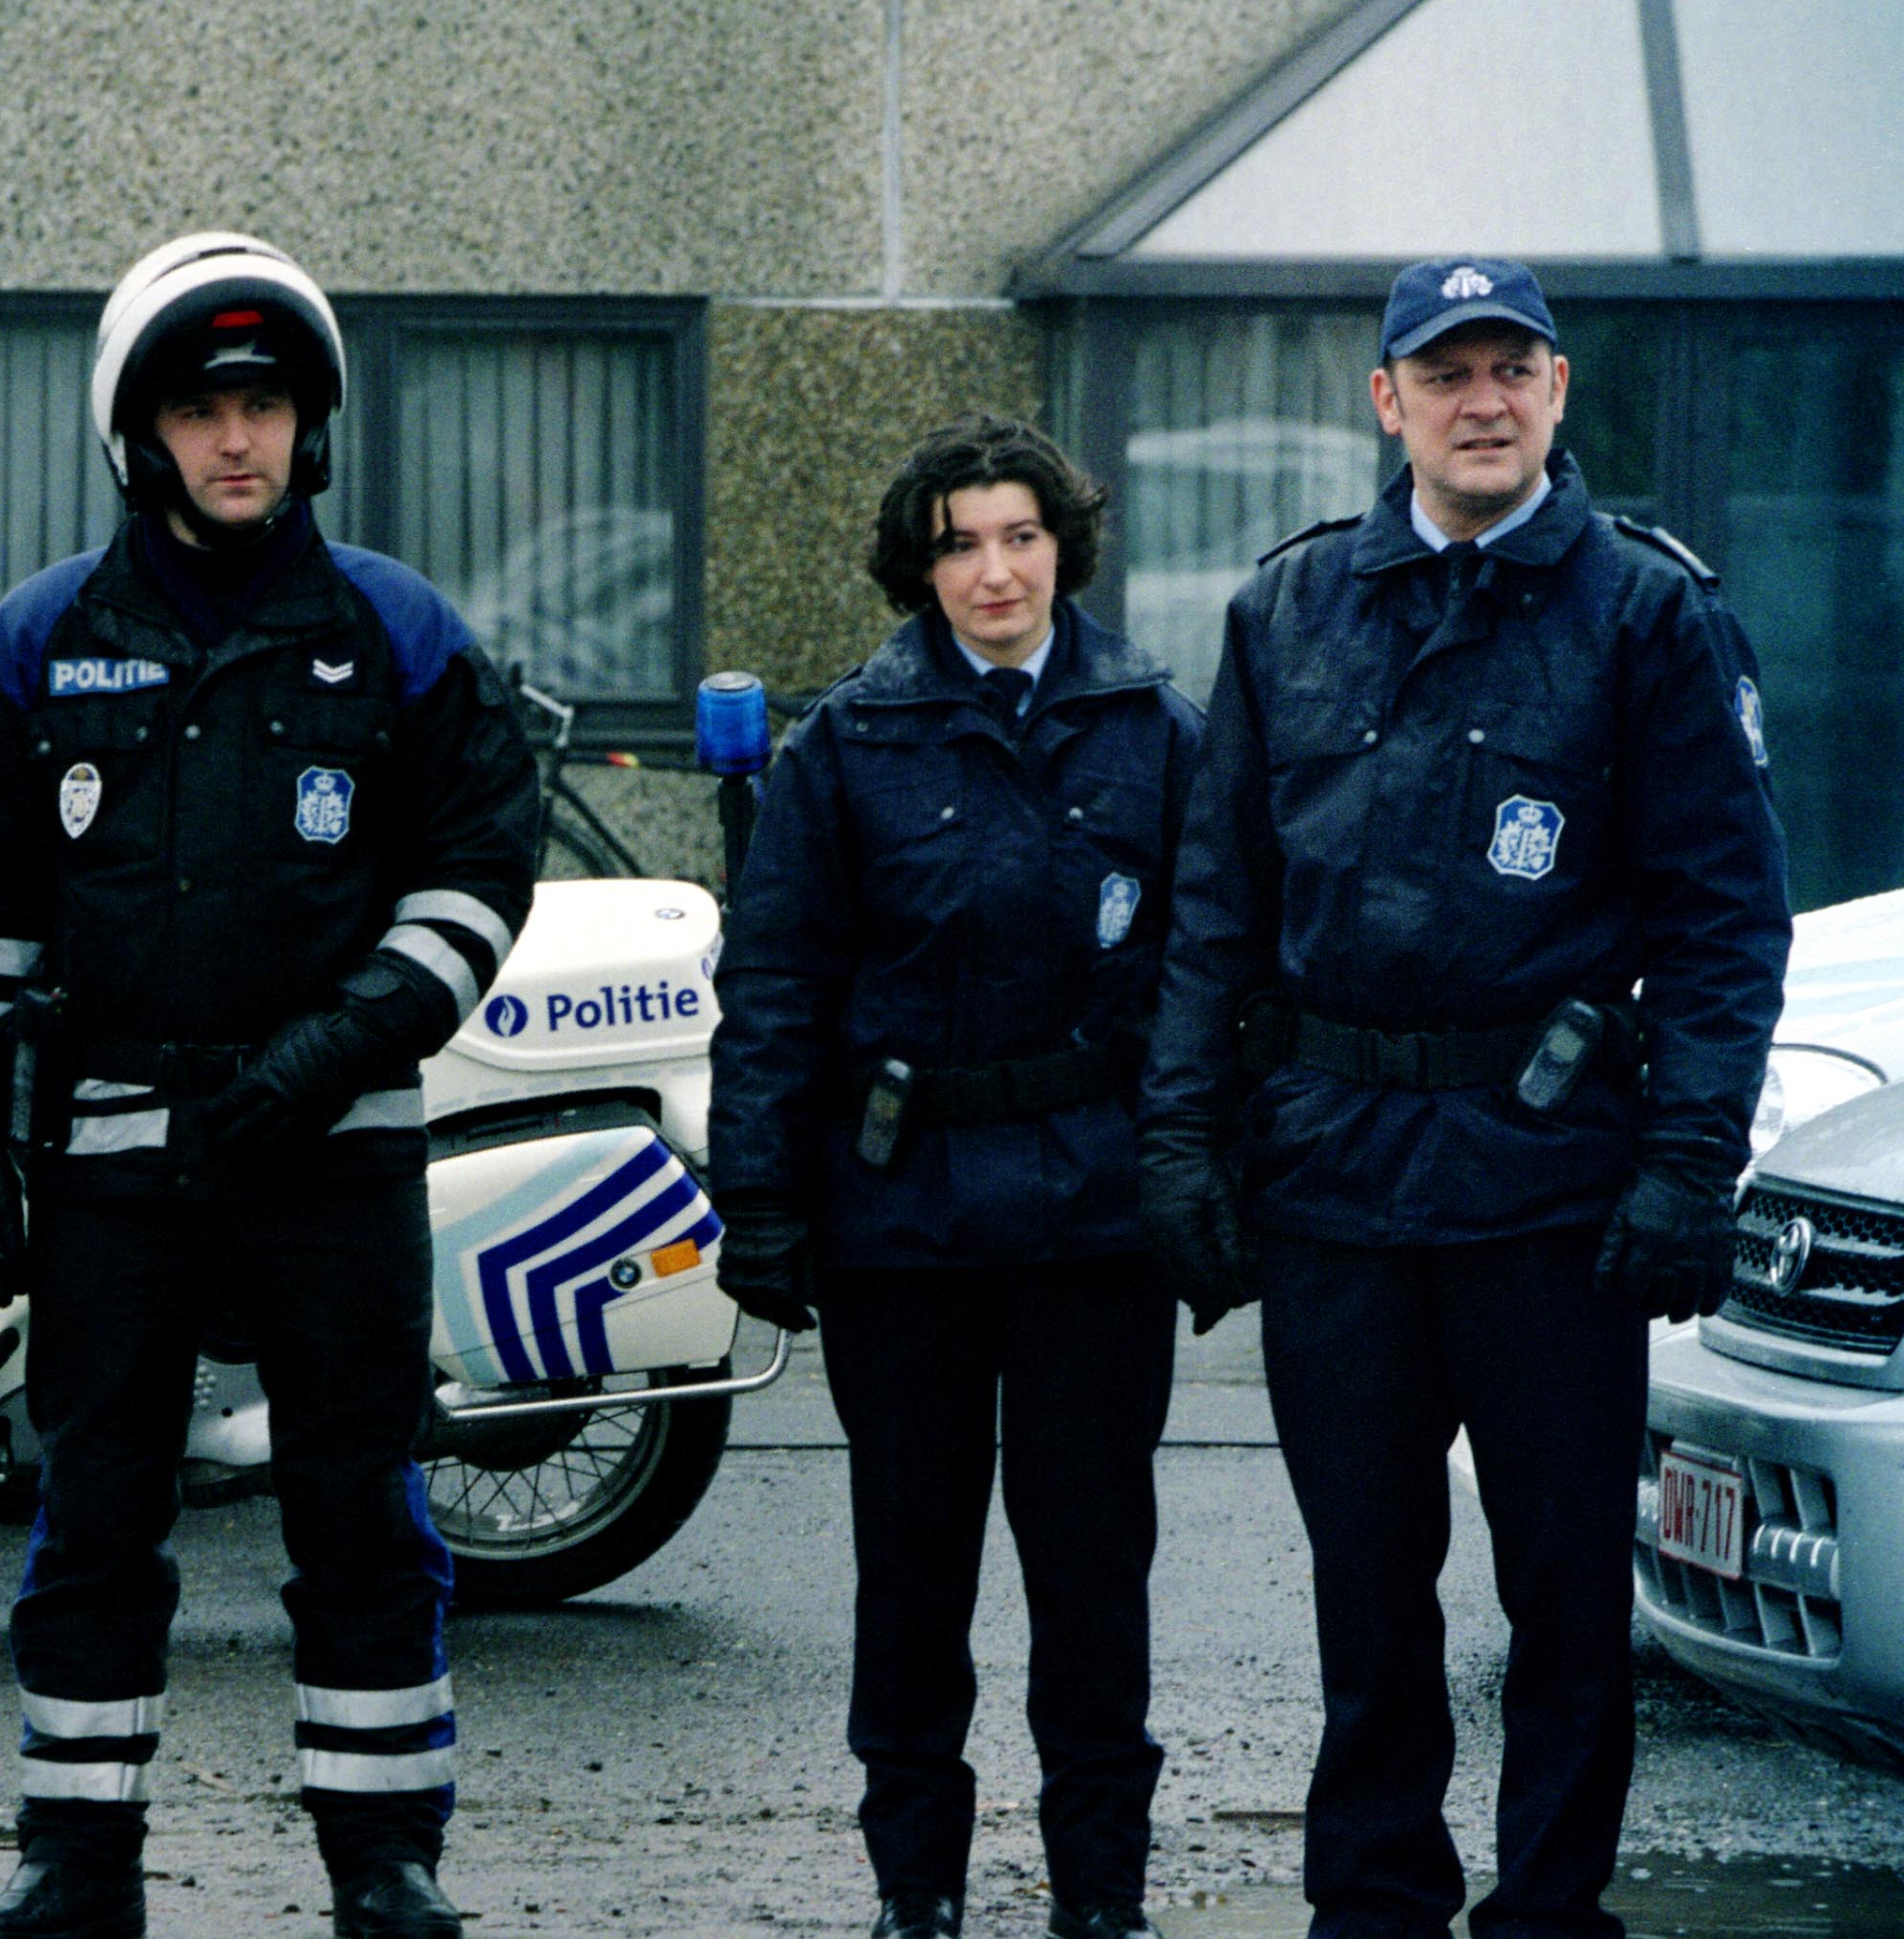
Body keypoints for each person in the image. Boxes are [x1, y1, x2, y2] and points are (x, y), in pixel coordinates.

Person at [1140, 257, 1789, 1939]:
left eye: (1513, 369)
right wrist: (1184, 1140)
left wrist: (1687, 1171)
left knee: (1563, 1594)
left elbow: (1726, 923)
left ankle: (1549, 1913)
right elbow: (1215, 912)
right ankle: (1371, 1904)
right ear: (1389, 404)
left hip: (1551, 1187)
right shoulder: (1285, 611)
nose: (1481, 400)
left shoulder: (1649, 613)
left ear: (1561, 394)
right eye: (1446, 374)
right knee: (1366, 1588)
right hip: (1336, 1176)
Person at [0, 232, 538, 1939]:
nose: (237, 440)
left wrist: (335, 1047)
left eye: (263, 405)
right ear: (140, 434)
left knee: (359, 1511)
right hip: (111, 1166)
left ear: (308, 426)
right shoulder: (36, 643)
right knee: (95, 1511)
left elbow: (481, 875)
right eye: (200, 409)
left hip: (332, 1157)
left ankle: (384, 1865)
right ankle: (77, 1868)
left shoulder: (398, 633)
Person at [710, 413, 1200, 1939]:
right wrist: (763, 1205)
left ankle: (1100, 1890)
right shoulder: (845, 743)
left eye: (1021, 537)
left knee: (1092, 1567)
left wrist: (1200, 1175)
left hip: (1093, 1226)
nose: (996, 573)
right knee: (911, 1574)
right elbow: (776, 986)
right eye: (960, 545)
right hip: (902, 1223)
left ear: (1066, 546)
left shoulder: (1157, 727)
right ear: (917, 570)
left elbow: (1212, 973)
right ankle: (913, 1887)